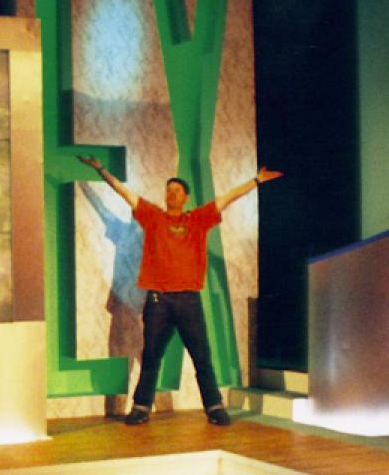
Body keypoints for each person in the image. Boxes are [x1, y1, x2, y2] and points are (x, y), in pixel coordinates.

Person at [78, 155, 282, 426]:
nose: (171, 193)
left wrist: (256, 180)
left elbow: (227, 198)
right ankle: (141, 407)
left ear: (186, 197)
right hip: (158, 300)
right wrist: (101, 170)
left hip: (188, 300)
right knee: (151, 357)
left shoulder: (198, 219)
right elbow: (123, 193)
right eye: (168, 190)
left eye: (176, 190)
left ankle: (214, 407)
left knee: (202, 357)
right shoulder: (153, 217)